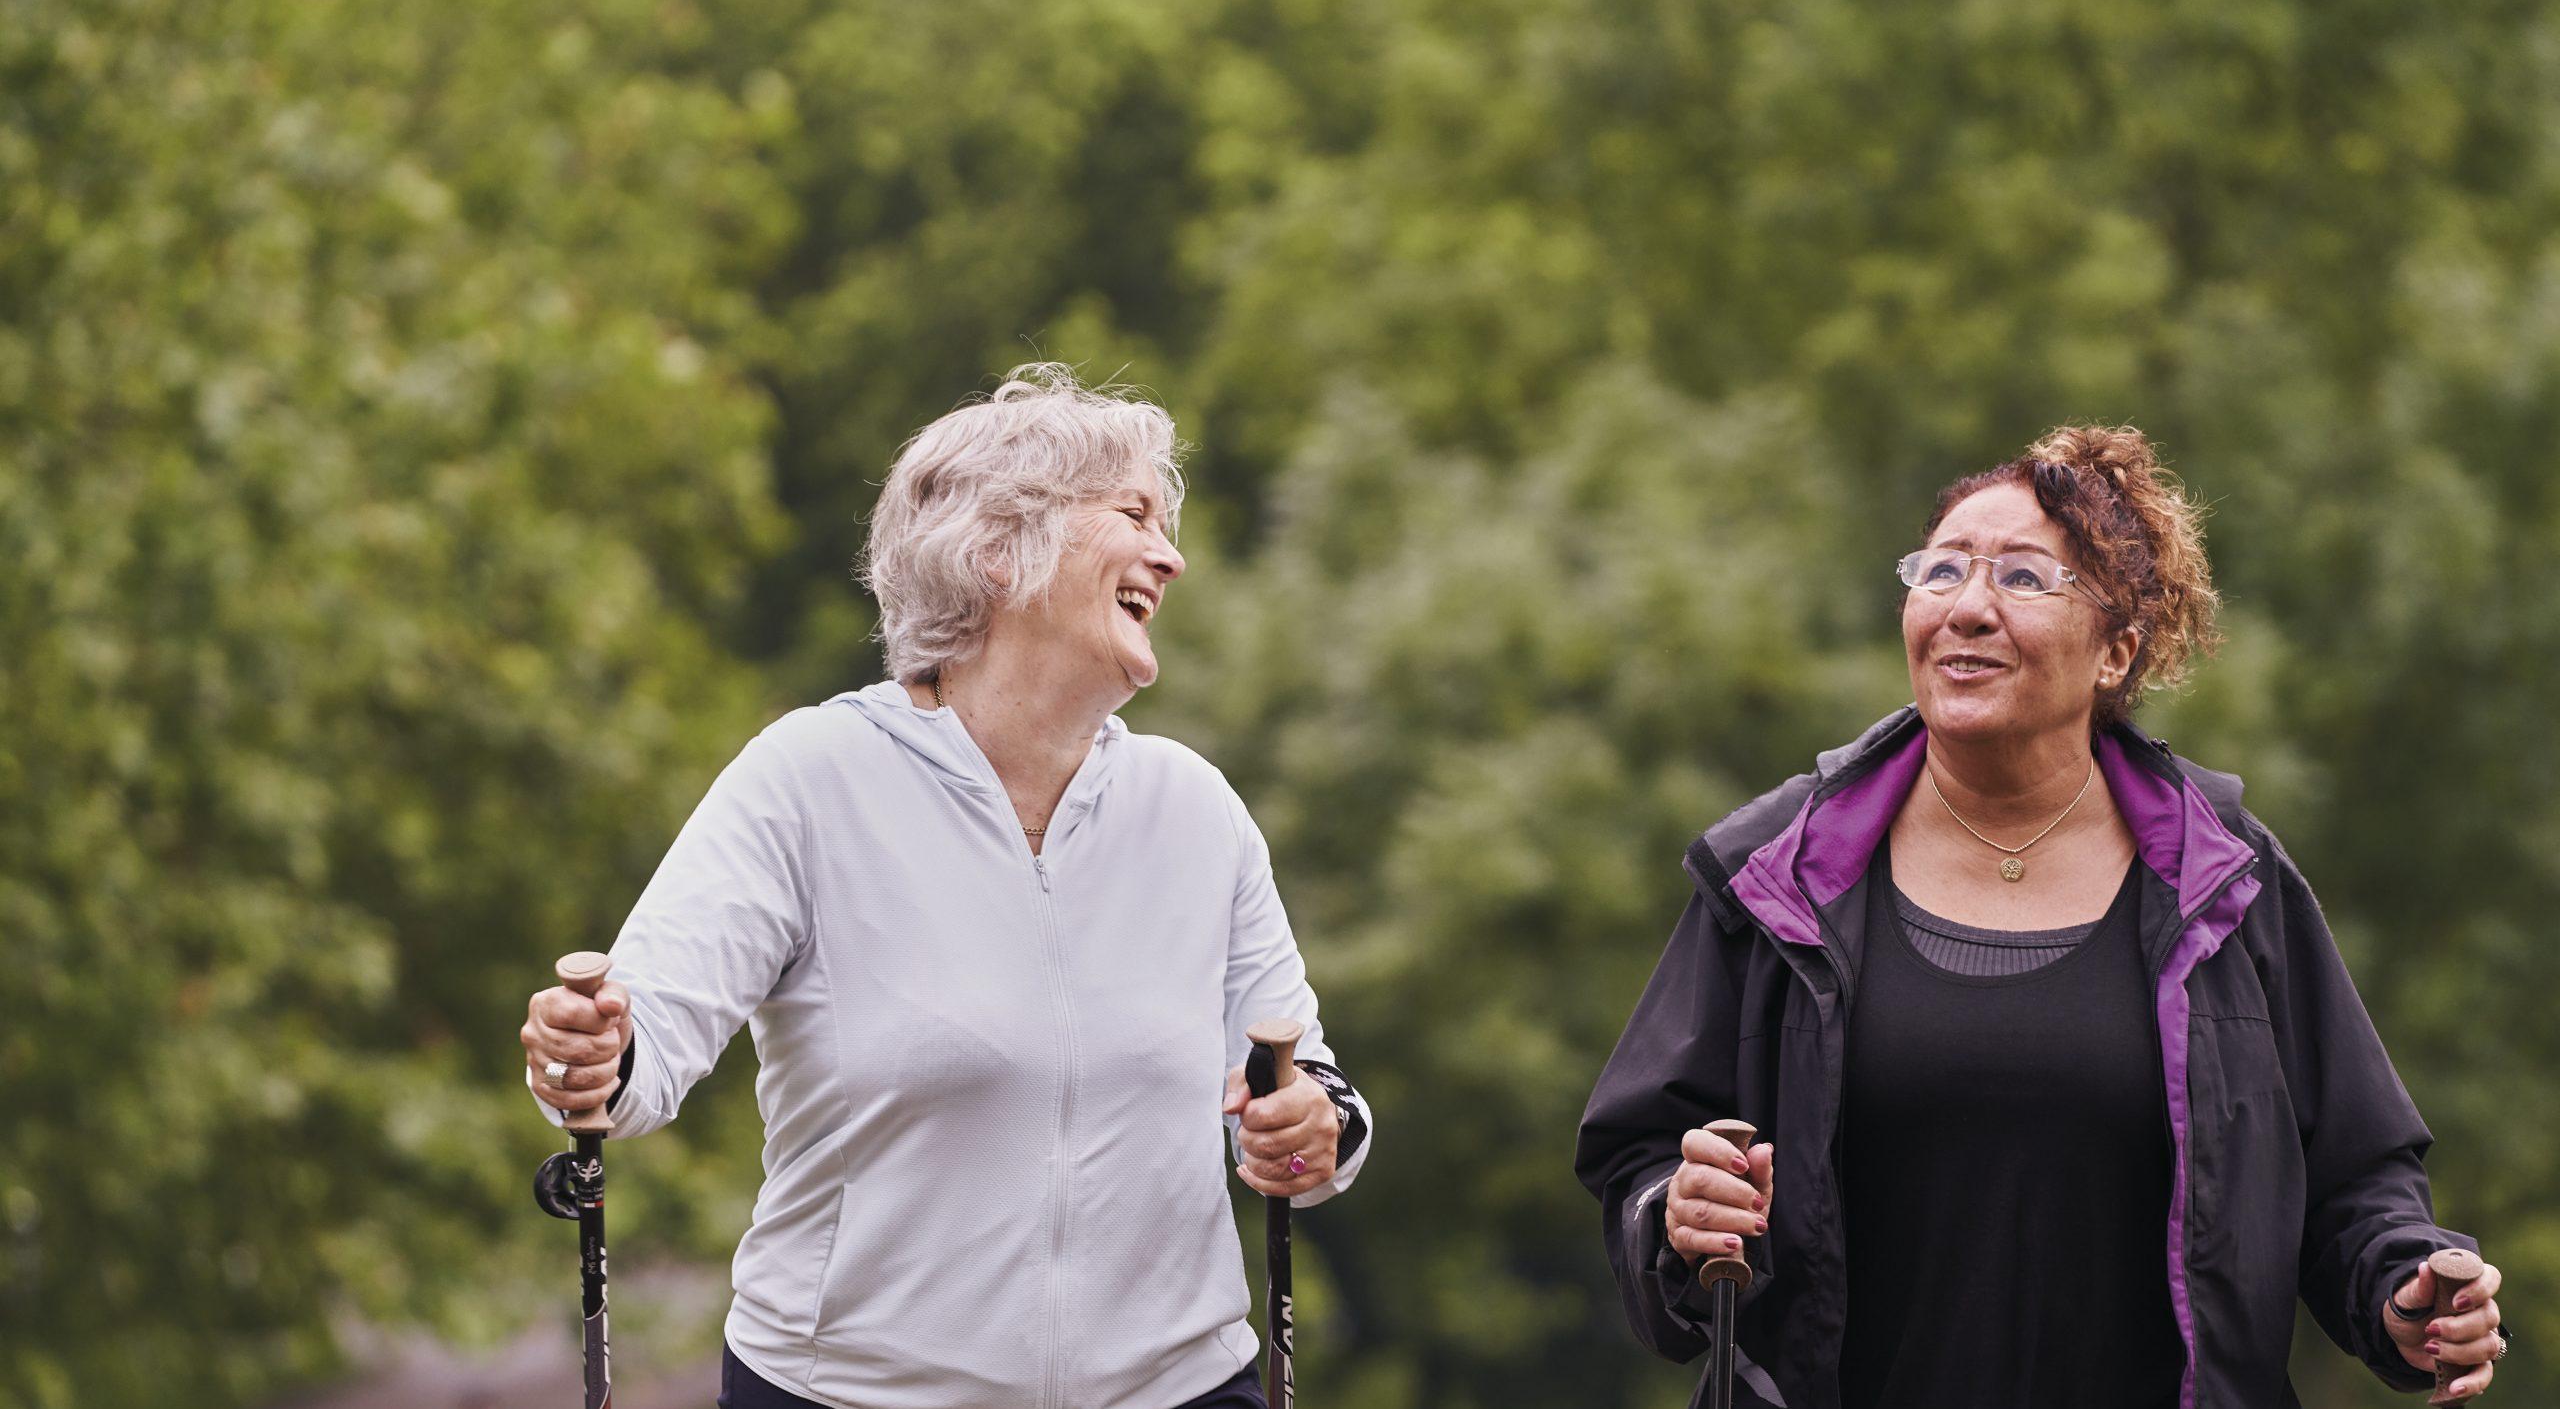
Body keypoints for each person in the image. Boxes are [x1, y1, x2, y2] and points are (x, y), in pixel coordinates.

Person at [1576, 426, 2508, 1408]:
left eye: (2021, 578)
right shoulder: (1775, 878)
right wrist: (1674, 1209)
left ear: (2116, 649)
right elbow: (1640, 1152)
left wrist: (2406, 1287)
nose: (1966, 607)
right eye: (1939, 569)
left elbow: (2354, 1177)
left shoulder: (2226, 881)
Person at [519, 365, 1372, 1409]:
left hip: (1183, 1387)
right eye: (1134, 513)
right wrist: (590, 1048)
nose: (1172, 555)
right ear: (997, 550)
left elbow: (1300, 1084)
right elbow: (638, 1044)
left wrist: (1310, 1125)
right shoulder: (811, 778)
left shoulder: (1195, 810)